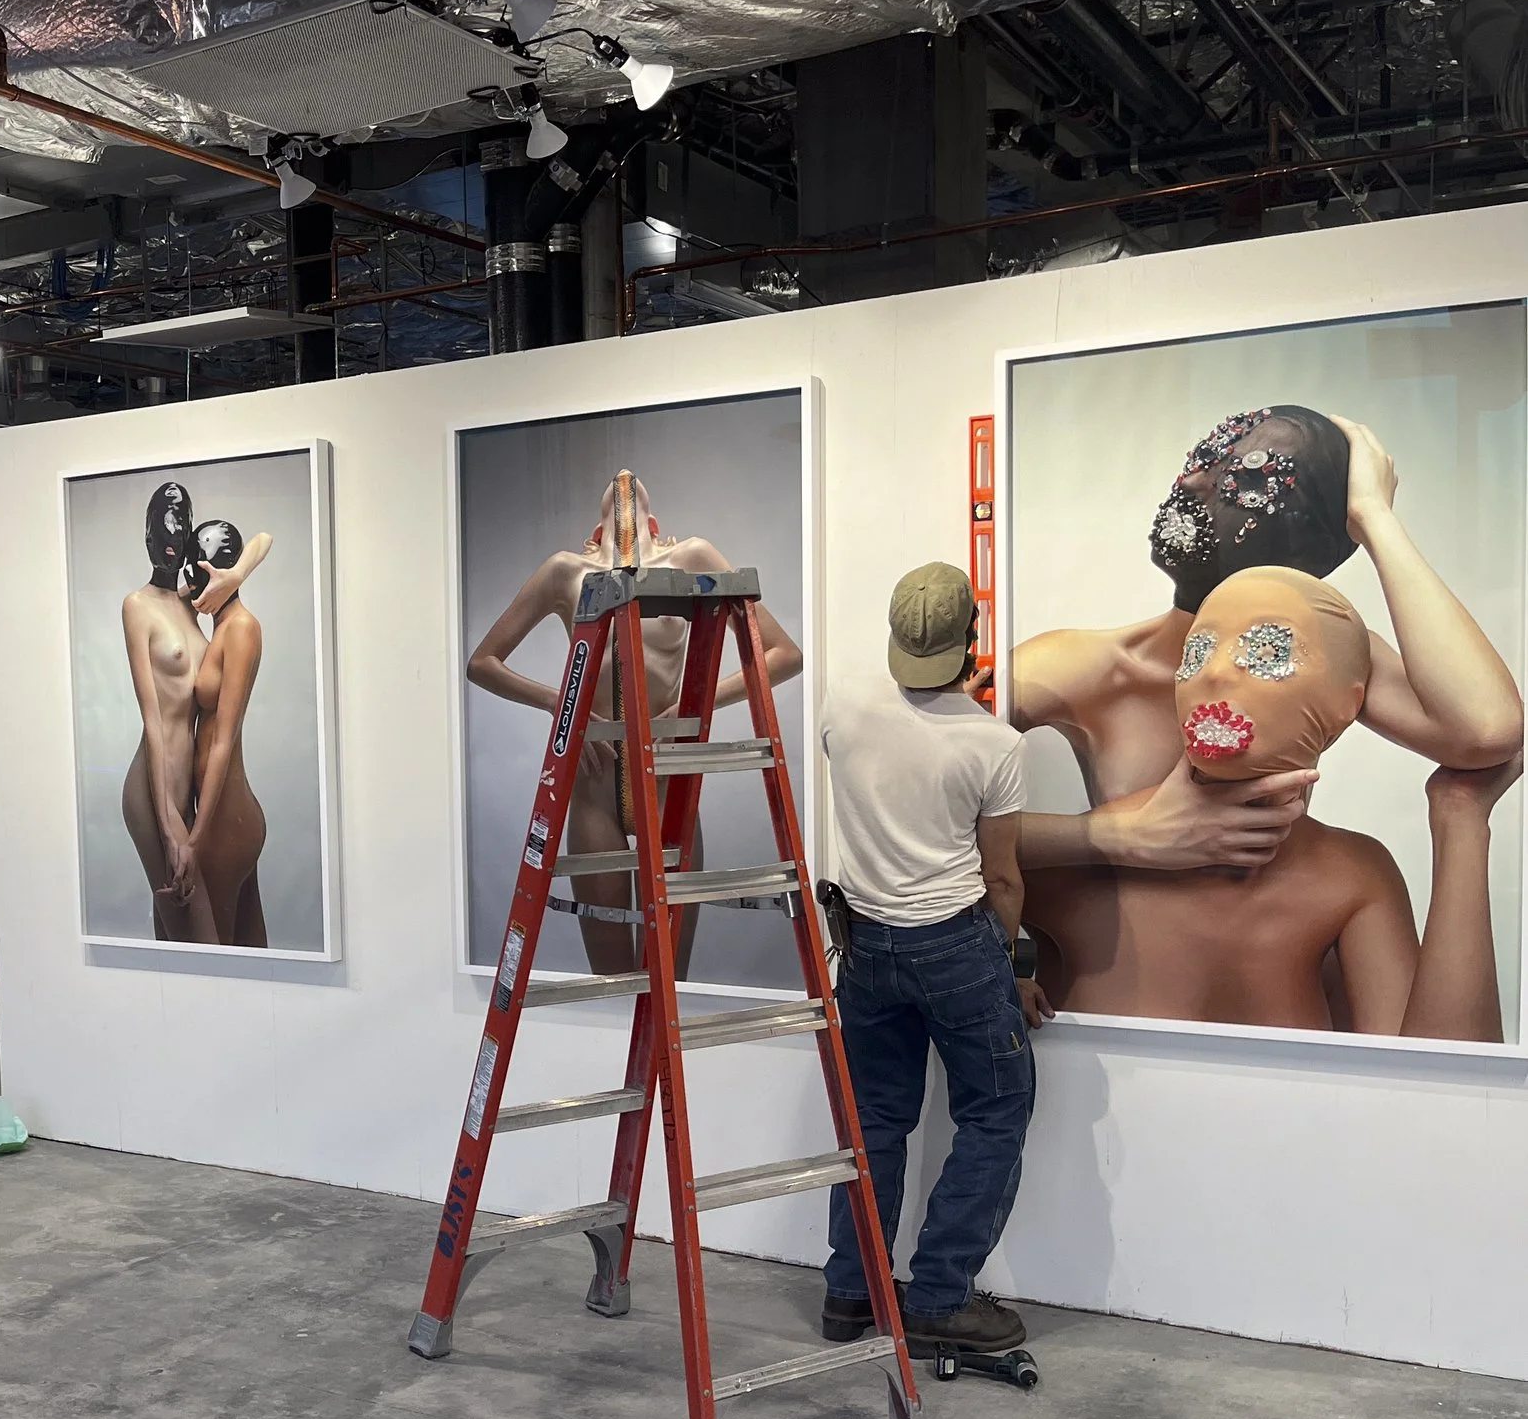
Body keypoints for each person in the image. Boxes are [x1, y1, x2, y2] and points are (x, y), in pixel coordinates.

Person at [1012, 410, 1522, 874]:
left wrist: (1375, 520)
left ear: (1315, 545)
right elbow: (934, 814)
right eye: (1205, 459)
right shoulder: (1084, 665)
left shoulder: (1329, 657)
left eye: (1250, 479)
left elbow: (1486, 732)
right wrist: (1113, 836)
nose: (1191, 481)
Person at [1023, 567, 1519, 1040]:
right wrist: (1116, 839)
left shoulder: (1349, 876)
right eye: (1196, 652)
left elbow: (1446, 1090)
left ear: (1347, 706)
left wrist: (1462, 824)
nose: (1213, 674)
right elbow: (950, 849)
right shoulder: (1072, 865)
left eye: (1265, 652)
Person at [818, 562, 1050, 1357]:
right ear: (970, 641)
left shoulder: (842, 707)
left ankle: (852, 1291)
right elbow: (1004, 877)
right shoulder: (995, 743)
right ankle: (941, 1298)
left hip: (863, 943)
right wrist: (1014, 969)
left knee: (875, 1117)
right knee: (995, 1107)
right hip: (951, 941)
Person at [466, 468, 803, 975]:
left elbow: (781, 654)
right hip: (593, 789)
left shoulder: (691, 558)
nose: (624, 474)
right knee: (612, 984)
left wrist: (698, 702)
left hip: (667, 781)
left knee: (667, 979)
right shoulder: (565, 570)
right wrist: (564, 701)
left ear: (655, 522)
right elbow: (482, 663)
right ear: (596, 533)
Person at [122, 481, 213, 940]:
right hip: (152, 784)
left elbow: (260, 547)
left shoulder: (191, 605)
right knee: (195, 937)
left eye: (184, 519)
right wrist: (169, 826)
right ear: (148, 535)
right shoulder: (137, 607)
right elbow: (153, 721)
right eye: (165, 519)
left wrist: (232, 576)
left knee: (179, 936)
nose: (175, 530)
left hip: (187, 787)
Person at [182, 518, 273, 947]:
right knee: (247, 949)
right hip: (223, 812)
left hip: (224, 818)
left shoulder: (240, 628)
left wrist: (195, 837)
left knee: (217, 957)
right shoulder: (220, 624)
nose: (191, 579)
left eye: (196, 570)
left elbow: (223, 740)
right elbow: (261, 541)